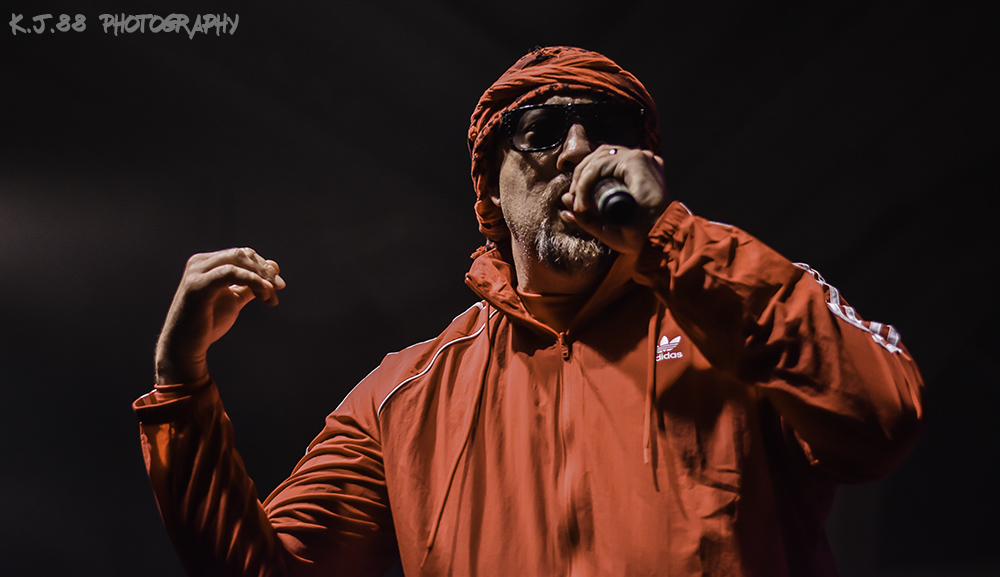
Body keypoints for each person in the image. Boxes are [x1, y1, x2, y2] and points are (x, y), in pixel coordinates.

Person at [135, 46, 924, 577]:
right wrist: (181, 386)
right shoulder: (401, 397)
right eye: (541, 133)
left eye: (607, 131)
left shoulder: (740, 305)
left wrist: (674, 239)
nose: (578, 151)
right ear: (490, 189)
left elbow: (881, 421)